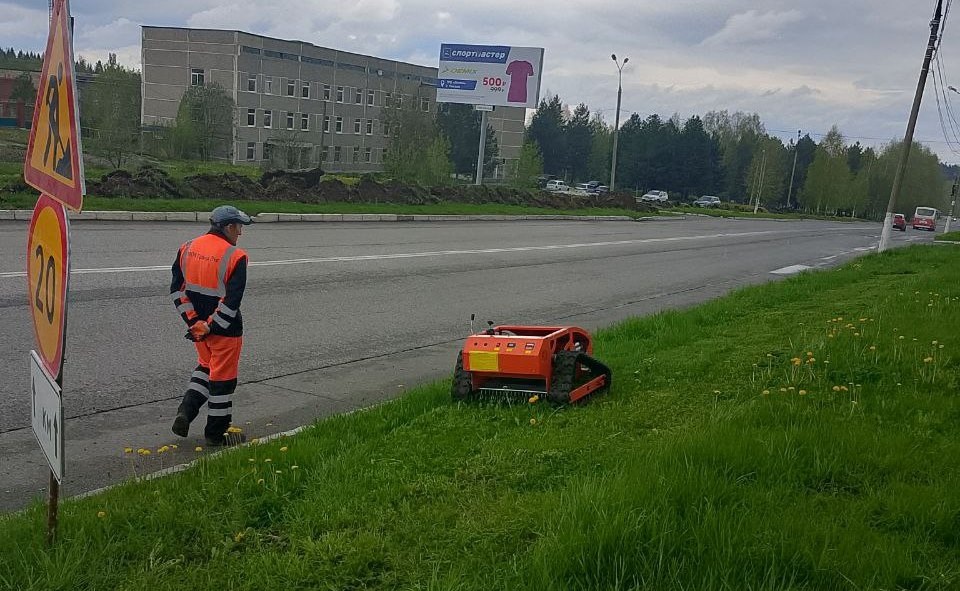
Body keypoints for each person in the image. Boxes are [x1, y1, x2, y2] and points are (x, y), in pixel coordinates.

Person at [170, 205, 252, 446]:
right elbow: (231, 302)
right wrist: (210, 326)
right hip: (225, 332)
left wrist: (195, 323)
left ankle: (186, 410)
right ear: (228, 227)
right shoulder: (235, 256)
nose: (240, 234)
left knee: (205, 368)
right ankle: (217, 433)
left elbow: (177, 291)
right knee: (223, 382)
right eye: (239, 228)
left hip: (199, 332)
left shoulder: (187, 248)